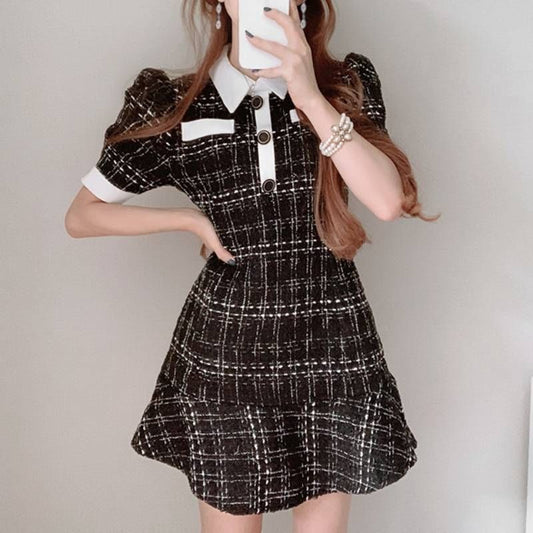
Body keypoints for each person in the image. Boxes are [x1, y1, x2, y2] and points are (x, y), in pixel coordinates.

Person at [65, 0, 435, 531]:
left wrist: (308, 95)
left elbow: (387, 202)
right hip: (227, 354)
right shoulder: (173, 102)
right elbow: (82, 215)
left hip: (330, 344)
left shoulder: (343, 87)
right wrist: (190, 221)